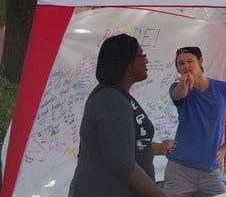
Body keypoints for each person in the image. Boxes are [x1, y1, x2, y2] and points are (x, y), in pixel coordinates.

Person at [68, 34, 170, 197]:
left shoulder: (116, 96)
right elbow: (124, 164)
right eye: (142, 55)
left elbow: (125, 144)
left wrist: (161, 148)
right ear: (127, 63)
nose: (146, 60)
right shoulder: (110, 100)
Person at [163, 46, 226, 196]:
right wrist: (184, 85)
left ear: (200, 61)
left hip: (211, 170)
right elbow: (178, 95)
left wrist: (225, 147)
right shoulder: (177, 87)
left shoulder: (224, 88)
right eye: (181, 63)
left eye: (190, 61)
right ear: (177, 69)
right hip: (179, 169)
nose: (186, 66)